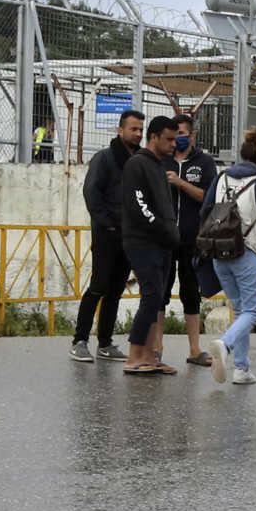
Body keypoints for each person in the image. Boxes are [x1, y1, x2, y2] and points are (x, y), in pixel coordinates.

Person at [200, 128, 256, 386]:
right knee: (251, 311)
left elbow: (205, 210)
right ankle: (225, 345)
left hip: (218, 250)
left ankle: (242, 369)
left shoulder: (222, 177)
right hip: (247, 251)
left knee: (240, 310)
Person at [117, 113, 186, 376]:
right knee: (150, 296)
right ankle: (134, 355)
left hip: (163, 243)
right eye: (169, 139)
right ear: (154, 137)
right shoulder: (137, 164)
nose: (173, 144)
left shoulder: (160, 165)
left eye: (176, 139)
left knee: (158, 298)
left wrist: (171, 233)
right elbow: (139, 205)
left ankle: (149, 356)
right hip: (143, 242)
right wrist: (161, 228)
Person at [70, 108, 141, 362]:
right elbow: (91, 193)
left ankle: (105, 342)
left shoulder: (139, 161)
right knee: (98, 287)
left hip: (129, 237)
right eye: (133, 129)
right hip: (106, 235)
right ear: (120, 130)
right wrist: (108, 224)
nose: (138, 134)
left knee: (115, 291)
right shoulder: (105, 158)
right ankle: (79, 341)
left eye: (141, 130)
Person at [166, 117, 220, 368]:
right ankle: (156, 349)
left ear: (193, 135)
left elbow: (207, 197)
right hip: (165, 239)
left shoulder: (204, 162)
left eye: (182, 133)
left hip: (192, 239)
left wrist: (180, 183)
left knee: (190, 294)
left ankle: (195, 349)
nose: (178, 138)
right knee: (159, 293)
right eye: (174, 133)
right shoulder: (162, 159)